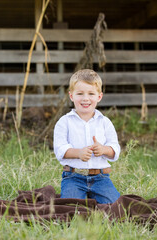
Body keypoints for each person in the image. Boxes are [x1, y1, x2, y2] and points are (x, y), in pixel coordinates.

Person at [53, 69, 121, 204]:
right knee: (69, 208)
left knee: (117, 208)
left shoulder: (104, 122)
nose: (85, 98)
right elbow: (60, 149)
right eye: (80, 94)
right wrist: (79, 153)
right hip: (73, 177)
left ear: (99, 97)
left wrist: (103, 149)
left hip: (101, 178)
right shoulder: (64, 122)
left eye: (91, 93)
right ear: (71, 96)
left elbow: (115, 148)